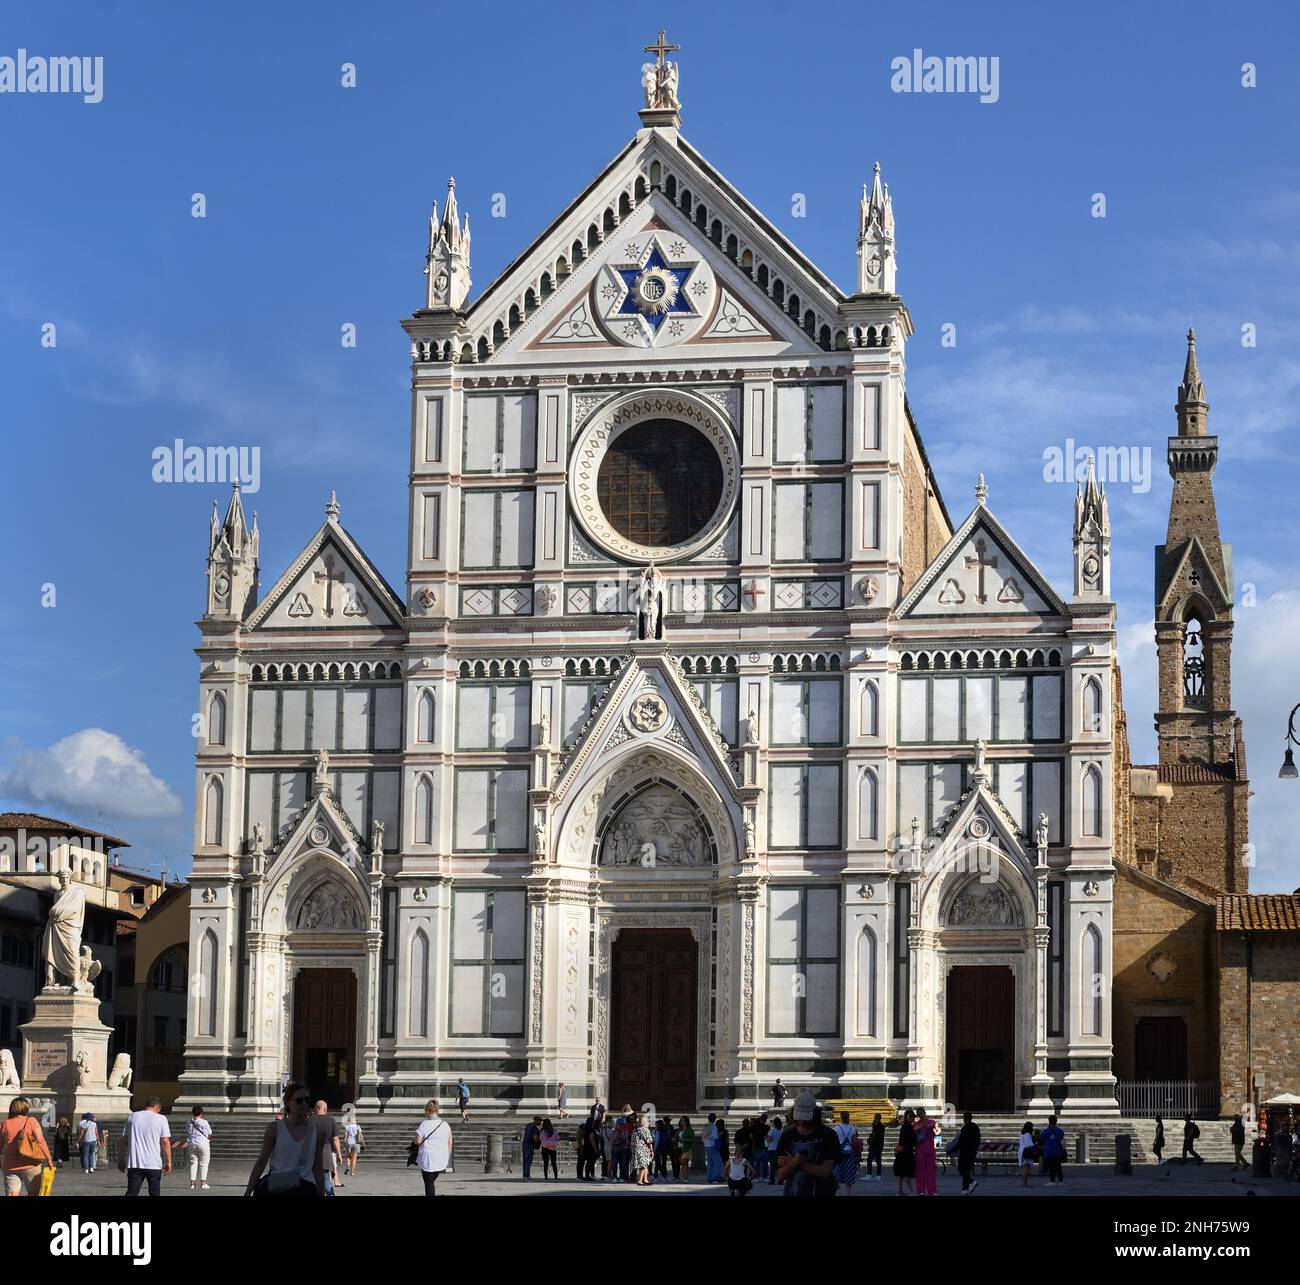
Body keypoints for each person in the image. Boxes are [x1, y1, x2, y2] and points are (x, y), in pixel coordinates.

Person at [245, 1082, 323, 1197]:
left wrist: (322, 1192)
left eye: (307, 1100)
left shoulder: (317, 1131)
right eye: (299, 1100)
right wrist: (248, 1192)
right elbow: (261, 1162)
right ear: (287, 1103)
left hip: (305, 1189)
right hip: (278, 1188)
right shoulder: (275, 1128)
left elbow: (318, 1167)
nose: (304, 1104)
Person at [774, 1092, 840, 1197]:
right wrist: (795, 1162)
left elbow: (825, 1172)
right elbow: (781, 1175)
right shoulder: (787, 1135)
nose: (802, 1122)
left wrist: (794, 1162)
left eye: (806, 1119)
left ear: (815, 1114)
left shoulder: (829, 1135)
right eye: (800, 1118)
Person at [119, 1097, 172, 1197]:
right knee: (154, 1193)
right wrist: (169, 1161)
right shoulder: (161, 1118)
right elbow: (165, 1141)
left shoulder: (132, 1116)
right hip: (153, 1163)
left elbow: (123, 1140)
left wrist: (121, 1159)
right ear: (156, 1107)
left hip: (135, 1163)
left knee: (132, 1192)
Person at [2, 1097, 52, 1196]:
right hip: (30, 1162)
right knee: (33, 1193)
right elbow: (40, 1141)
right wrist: (49, 1159)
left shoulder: (4, 1124)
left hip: (10, 1164)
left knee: (11, 1194)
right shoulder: (31, 1121)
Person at [412, 1099, 451, 1196]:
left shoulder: (424, 1124)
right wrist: (447, 1155)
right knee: (431, 1182)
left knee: (428, 1184)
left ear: (427, 1111)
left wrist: (413, 1141)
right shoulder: (445, 1124)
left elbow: (418, 1141)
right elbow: (450, 1143)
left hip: (428, 1159)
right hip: (442, 1158)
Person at [314, 1101, 343, 1193]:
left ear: (315, 1108)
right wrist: (339, 1154)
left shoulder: (309, 1120)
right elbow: (335, 1139)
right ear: (325, 1109)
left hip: (312, 1152)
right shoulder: (331, 1120)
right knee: (326, 1177)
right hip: (326, 1152)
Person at [832, 1110, 860, 1194]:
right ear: (848, 1117)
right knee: (849, 1173)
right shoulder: (852, 1128)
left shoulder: (836, 1128)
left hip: (839, 1153)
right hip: (850, 1153)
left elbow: (834, 1142)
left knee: (837, 1172)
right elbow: (855, 1141)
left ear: (841, 1118)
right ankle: (848, 1193)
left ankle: (835, 1191)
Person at [953, 1111, 981, 1194]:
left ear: (964, 1119)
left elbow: (960, 1142)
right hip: (972, 1152)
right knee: (966, 1170)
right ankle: (965, 1189)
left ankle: (971, 1181)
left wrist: (952, 1150)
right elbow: (978, 1139)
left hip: (965, 1152)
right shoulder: (975, 1127)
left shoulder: (965, 1128)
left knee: (961, 1168)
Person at [913, 1108, 938, 1197]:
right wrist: (920, 1126)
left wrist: (937, 1148)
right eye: (918, 1114)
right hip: (920, 1151)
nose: (920, 1115)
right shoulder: (916, 1124)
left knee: (931, 1172)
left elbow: (937, 1134)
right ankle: (920, 1190)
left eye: (921, 1113)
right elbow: (914, 1131)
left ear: (924, 1113)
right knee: (920, 1172)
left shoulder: (932, 1122)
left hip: (931, 1150)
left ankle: (932, 1191)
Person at [187, 1106, 212, 1190]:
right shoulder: (204, 1122)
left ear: (192, 1112)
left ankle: (192, 1184)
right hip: (203, 1144)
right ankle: (203, 1183)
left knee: (193, 1163)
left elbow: (188, 1131)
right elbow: (209, 1132)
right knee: (204, 1163)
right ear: (201, 1113)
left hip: (192, 1144)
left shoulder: (188, 1122)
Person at [893, 1108, 916, 1195]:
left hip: (901, 1152)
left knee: (900, 1172)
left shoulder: (905, 1126)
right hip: (907, 1152)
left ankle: (899, 1191)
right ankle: (910, 1190)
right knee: (906, 1172)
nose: (912, 1118)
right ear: (906, 1117)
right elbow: (912, 1141)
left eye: (913, 1116)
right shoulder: (909, 1127)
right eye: (910, 1116)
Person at [1040, 1114, 1066, 1185]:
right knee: (1058, 1166)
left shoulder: (1045, 1132)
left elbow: (1041, 1138)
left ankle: (1052, 1181)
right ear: (1056, 1121)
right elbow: (1061, 1137)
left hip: (1049, 1151)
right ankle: (1061, 1181)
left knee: (1051, 1167)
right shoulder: (1060, 1131)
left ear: (1049, 1121)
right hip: (1057, 1151)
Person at [631, 1114, 655, 1186]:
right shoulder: (646, 1130)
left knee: (645, 1164)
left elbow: (632, 1141)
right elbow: (649, 1141)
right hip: (644, 1150)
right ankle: (640, 1180)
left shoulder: (635, 1130)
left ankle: (645, 1180)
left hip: (636, 1149)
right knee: (644, 1165)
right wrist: (651, 1150)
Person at [865, 1113, 885, 1181]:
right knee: (878, 1161)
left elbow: (874, 1136)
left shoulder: (876, 1126)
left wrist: (870, 1144)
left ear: (876, 1118)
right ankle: (878, 1175)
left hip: (874, 1145)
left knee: (869, 1159)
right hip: (879, 1145)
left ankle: (869, 1174)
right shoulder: (882, 1126)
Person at [675, 1116, 695, 1181]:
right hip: (679, 1148)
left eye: (684, 1121)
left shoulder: (690, 1130)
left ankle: (685, 1177)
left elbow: (692, 1139)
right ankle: (684, 1177)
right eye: (681, 1121)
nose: (682, 1122)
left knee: (684, 1163)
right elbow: (676, 1137)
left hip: (687, 1148)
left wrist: (685, 1139)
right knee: (683, 1164)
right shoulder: (679, 1130)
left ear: (687, 1122)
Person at [521, 1115, 541, 1180]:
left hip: (524, 1144)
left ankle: (524, 1175)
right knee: (528, 1161)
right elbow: (535, 1138)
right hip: (530, 1145)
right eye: (539, 1121)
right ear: (535, 1121)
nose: (540, 1123)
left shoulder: (528, 1125)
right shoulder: (535, 1128)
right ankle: (527, 1176)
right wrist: (539, 1140)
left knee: (525, 1161)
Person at [1016, 1121, 1036, 1187]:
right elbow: (1029, 1144)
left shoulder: (1023, 1134)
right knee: (1026, 1168)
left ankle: (1024, 1182)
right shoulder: (1027, 1134)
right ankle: (1024, 1182)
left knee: (1026, 1168)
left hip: (1023, 1151)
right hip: (1026, 1151)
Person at [703, 1112, 722, 1183]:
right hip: (712, 1146)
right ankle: (716, 1177)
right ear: (714, 1119)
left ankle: (709, 1177)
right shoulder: (713, 1127)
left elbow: (703, 1137)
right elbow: (714, 1136)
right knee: (718, 1163)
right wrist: (717, 1135)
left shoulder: (705, 1126)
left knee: (710, 1163)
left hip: (706, 1146)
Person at [765, 1116, 783, 1185]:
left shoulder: (772, 1130)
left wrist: (766, 1138)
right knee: (780, 1165)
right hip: (779, 1149)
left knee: (772, 1165)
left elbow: (769, 1140)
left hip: (772, 1149)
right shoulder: (782, 1131)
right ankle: (780, 1180)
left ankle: (772, 1180)